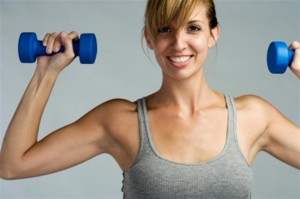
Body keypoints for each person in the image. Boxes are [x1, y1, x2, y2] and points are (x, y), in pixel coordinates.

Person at [0, 0, 299, 198]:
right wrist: (46, 73)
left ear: (213, 34)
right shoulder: (119, 122)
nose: (179, 43)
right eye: (165, 29)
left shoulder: (252, 117)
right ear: (149, 38)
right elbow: (14, 165)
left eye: (193, 28)